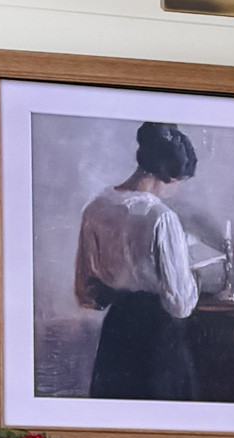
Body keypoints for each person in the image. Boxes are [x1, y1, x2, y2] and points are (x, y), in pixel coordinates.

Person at [74, 121, 201, 399]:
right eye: (179, 183)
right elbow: (181, 304)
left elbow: (87, 292)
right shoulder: (161, 217)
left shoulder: (95, 208)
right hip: (157, 339)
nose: (176, 190)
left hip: (117, 332)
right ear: (169, 176)